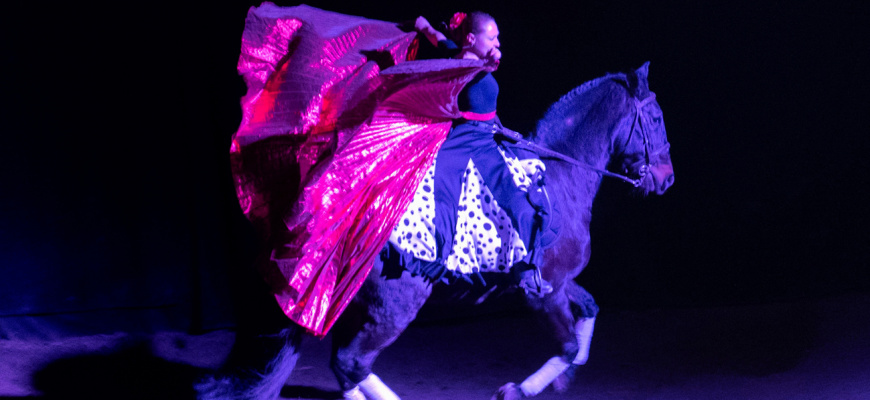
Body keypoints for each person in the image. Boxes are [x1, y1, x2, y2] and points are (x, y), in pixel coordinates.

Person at [414, 12, 554, 295]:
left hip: (489, 133)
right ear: (471, 38)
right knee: (460, 200)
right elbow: (468, 69)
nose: (498, 42)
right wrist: (488, 64)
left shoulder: (460, 52)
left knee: (520, 195)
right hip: (469, 140)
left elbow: (439, 39)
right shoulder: (466, 64)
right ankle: (516, 271)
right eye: (492, 37)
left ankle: (526, 266)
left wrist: (423, 26)